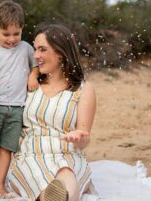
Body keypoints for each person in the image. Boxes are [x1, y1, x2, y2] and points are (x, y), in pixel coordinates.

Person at [9, 24, 96, 201]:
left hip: (68, 153)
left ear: (60, 53)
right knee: (38, 177)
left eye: (42, 49)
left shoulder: (83, 89)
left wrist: (80, 137)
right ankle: (51, 196)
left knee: (66, 172)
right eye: (35, 49)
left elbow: (84, 138)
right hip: (30, 155)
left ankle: (58, 196)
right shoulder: (29, 85)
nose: (36, 56)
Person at [0, 0, 39, 197]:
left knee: (7, 149)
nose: (12, 39)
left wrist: (33, 74)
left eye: (16, 34)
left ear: (22, 29)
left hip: (18, 108)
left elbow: (35, 64)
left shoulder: (27, 49)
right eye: (6, 34)